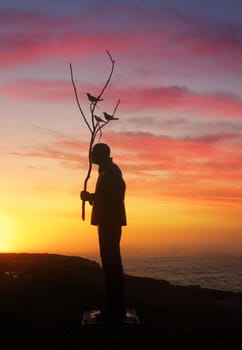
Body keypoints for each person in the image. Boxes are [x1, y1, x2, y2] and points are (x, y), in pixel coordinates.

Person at [80, 143, 127, 323]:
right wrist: (92, 197)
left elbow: (115, 196)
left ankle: (115, 309)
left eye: (93, 152)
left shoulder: (111, 172)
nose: (91, 155)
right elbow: (108, 196)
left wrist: (90, 197)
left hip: (110, 222)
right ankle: (113, 306)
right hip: (108, 221)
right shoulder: (106, 171)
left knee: (112, 265)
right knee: (110, 264)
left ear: (101, 154)